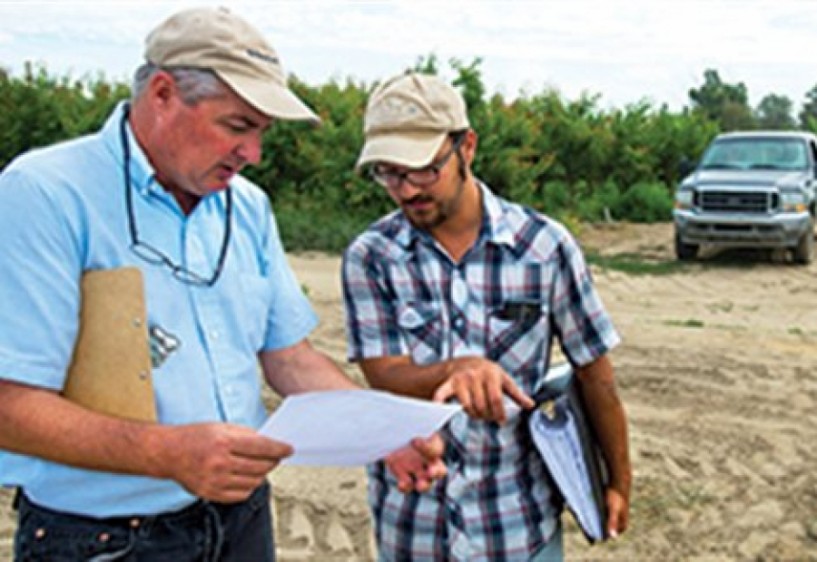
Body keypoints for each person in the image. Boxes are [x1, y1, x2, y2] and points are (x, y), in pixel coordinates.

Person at [0, 9, 442, 562]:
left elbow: (289, 358)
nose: (252, 154)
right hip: (103, 538)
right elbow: (10, 406)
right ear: (162, 94)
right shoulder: (44, 196)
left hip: (241, 521)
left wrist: (382, 432)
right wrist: (168, 454)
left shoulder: (247, 207)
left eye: (262, 132)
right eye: (237, 126)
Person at [342, 72, 632, 561]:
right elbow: (384, 372)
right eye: (390, 174)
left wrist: (618, 481)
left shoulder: (545, 247)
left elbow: (596, 377)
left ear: (467, 147)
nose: (408, 189)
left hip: (518, 524)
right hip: (414, 526)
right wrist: (456, 370)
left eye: (424, 169)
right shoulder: (372, 257)